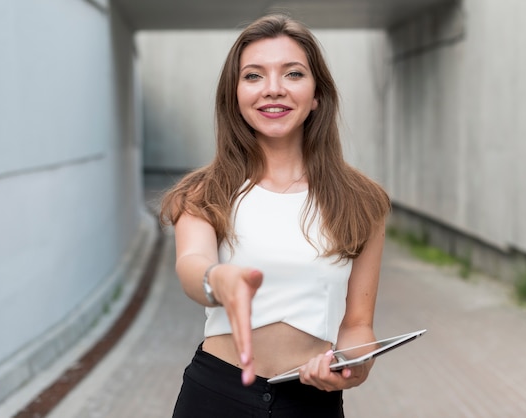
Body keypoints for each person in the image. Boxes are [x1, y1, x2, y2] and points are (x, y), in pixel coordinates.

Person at [160, 13, 391, 418]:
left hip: (312, 402)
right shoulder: (203, 192)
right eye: (253, 76)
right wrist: (219, 280)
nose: (273, 90)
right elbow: (191, 266)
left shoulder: (363, 201)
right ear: (233, 95)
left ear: (317, 93)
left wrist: (355, 365)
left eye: (293, 74)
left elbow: (357, 324)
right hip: (216, 395)